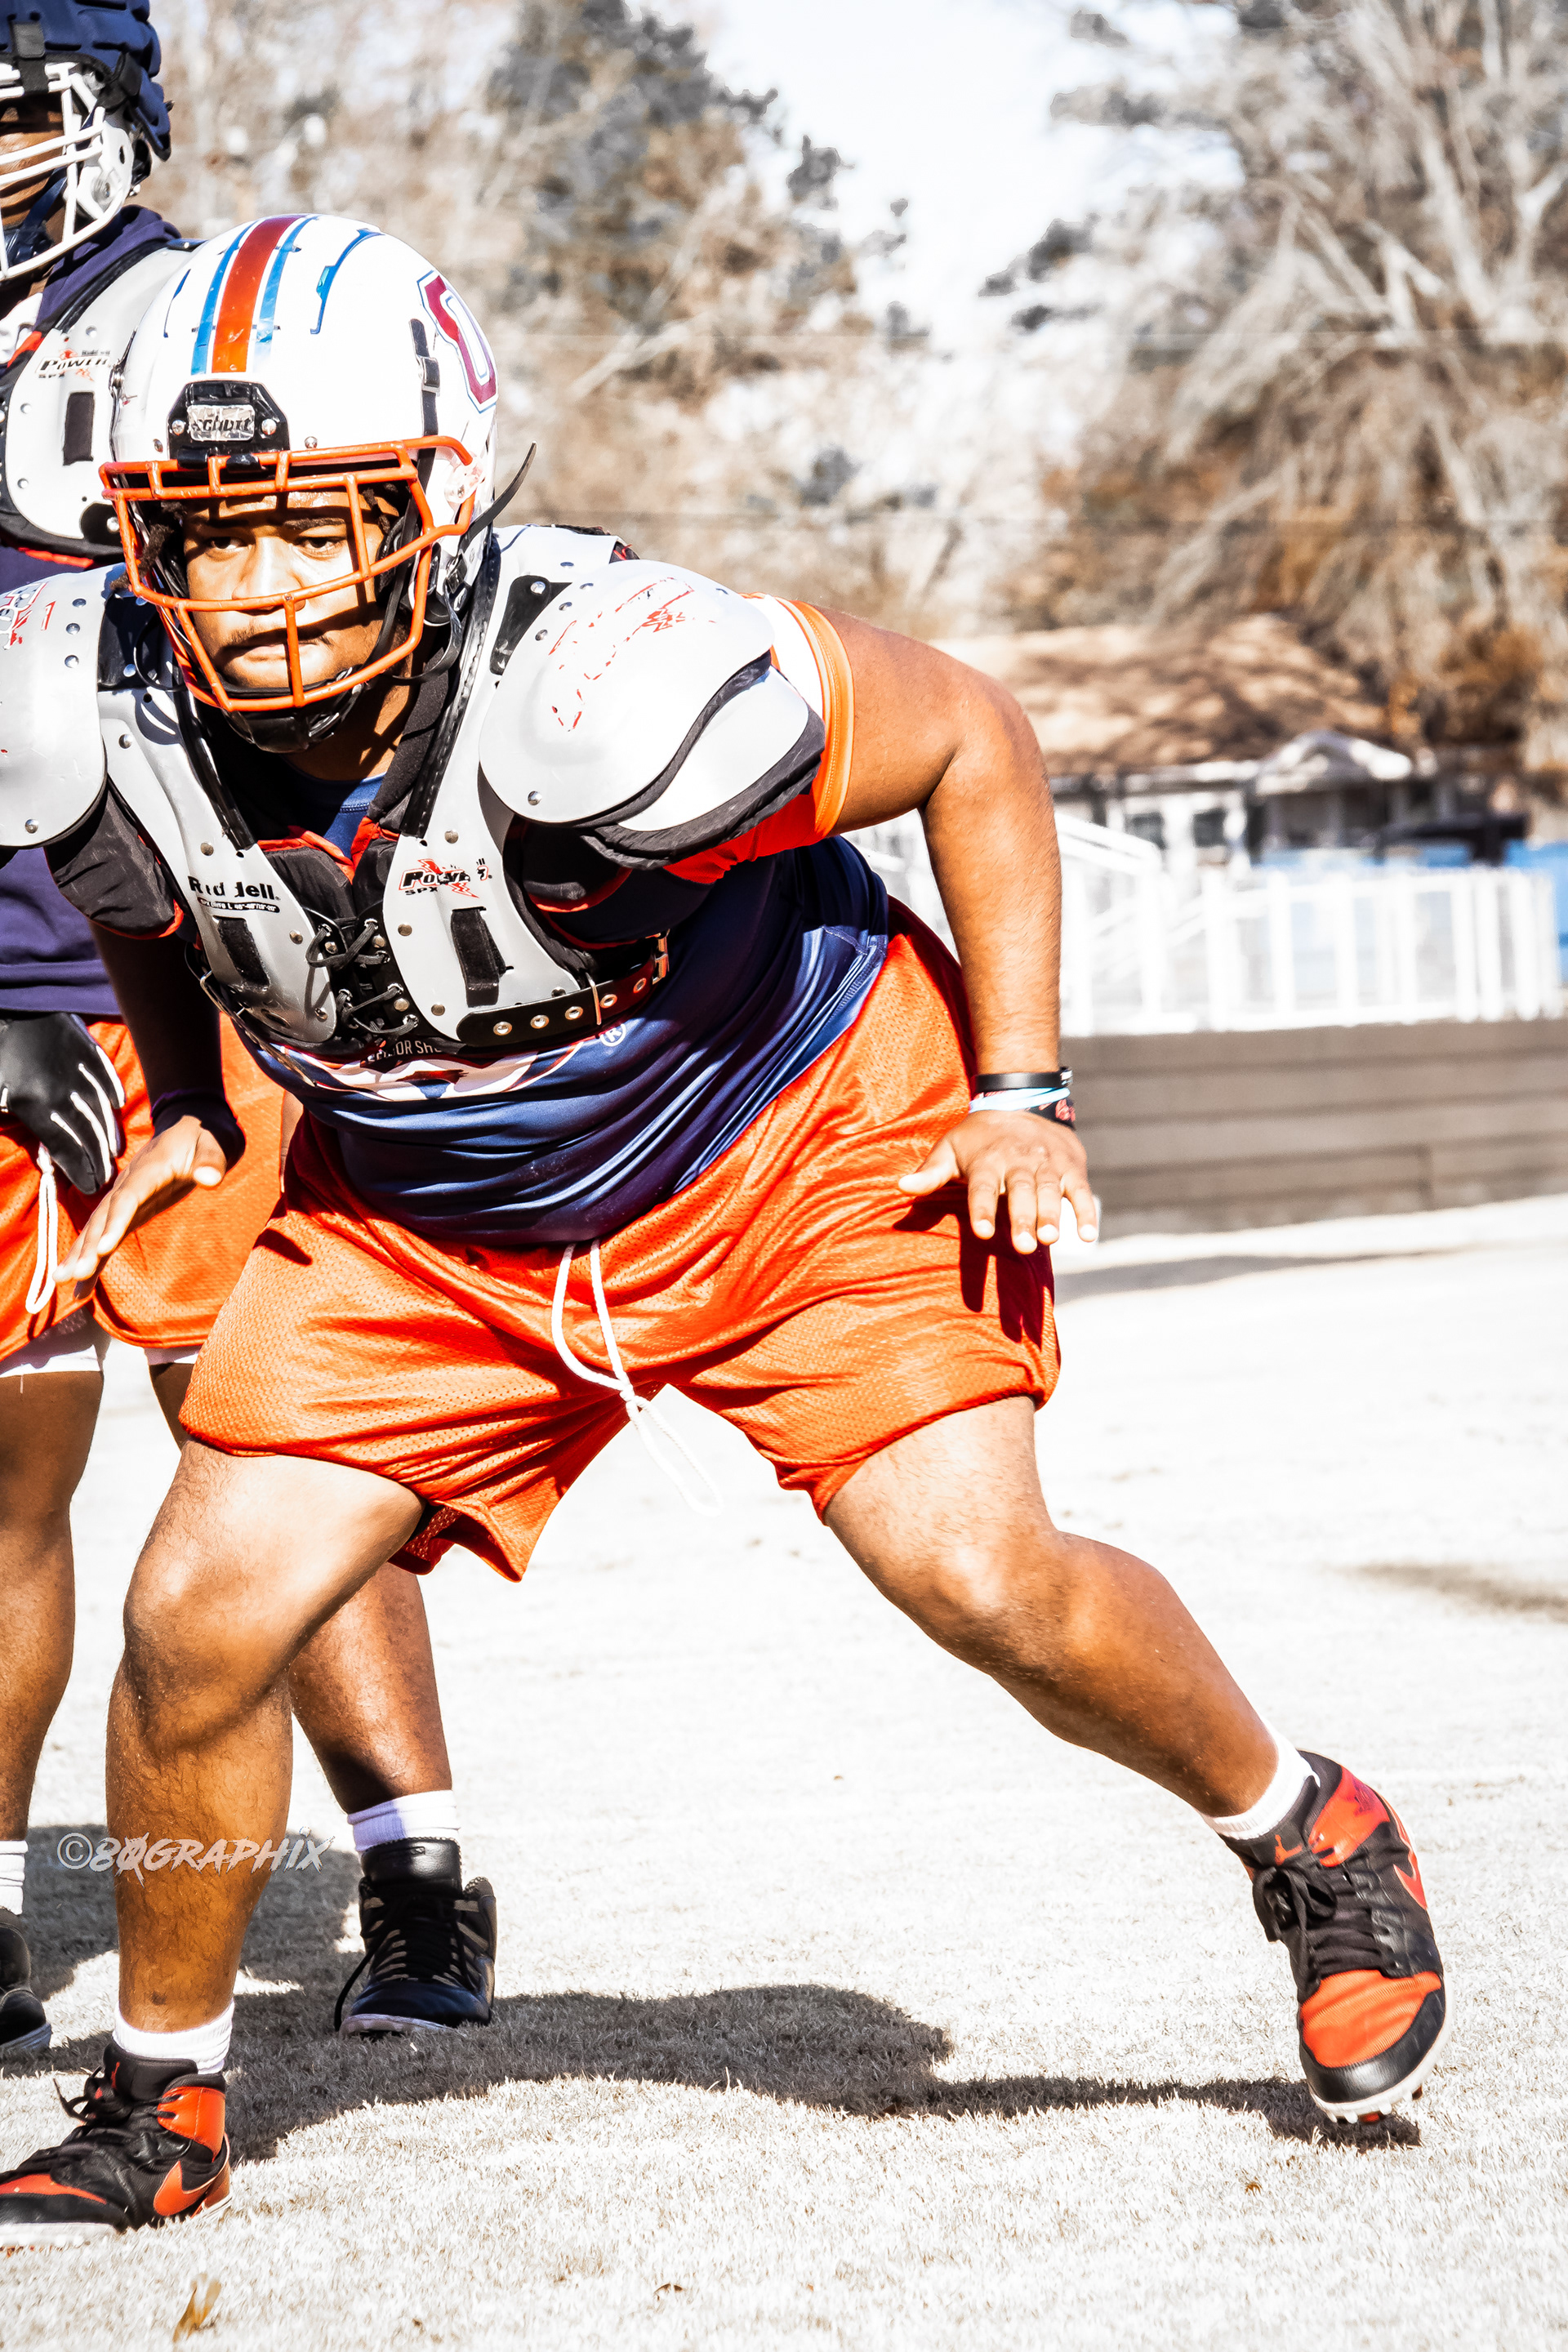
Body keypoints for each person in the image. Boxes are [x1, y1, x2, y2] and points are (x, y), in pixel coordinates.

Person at [0, 212, 1447, 2243]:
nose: (257, 588)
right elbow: (151, 889)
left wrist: (1022, 1090)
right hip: (426, 1201)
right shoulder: (75, 693)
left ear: (432, 498)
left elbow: (974, 737)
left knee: (982, 1577)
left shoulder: (610, 677)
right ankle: (161, 2093)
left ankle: (1310, 1831)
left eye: (312, 521)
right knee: (196, 1617)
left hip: (791, 1140)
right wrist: (185, 1100)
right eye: (205, 533)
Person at [0, 26, 488, 2063]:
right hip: (15, 983)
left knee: (280, 1442)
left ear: (110, 117)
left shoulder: (220, 330)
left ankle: (417, 1873)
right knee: (9, 1474)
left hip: (218, 963)